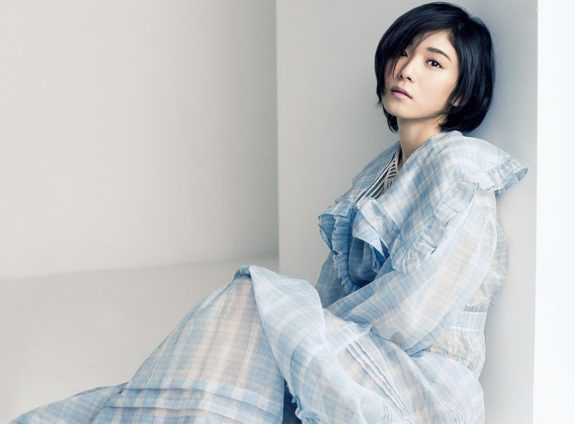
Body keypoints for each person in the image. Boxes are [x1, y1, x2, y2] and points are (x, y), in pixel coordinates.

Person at [12, 2, 528, 423]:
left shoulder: (459, 168)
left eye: (433, 63)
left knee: (256, 298)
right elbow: (332, 289)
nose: (407, 69)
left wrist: (301, 331)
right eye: (403, 52)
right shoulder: (380, 172)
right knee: (247, 325)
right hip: (357, 355)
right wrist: (300, 333)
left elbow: (412, 314)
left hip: (419, 389)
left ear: (461, 92)